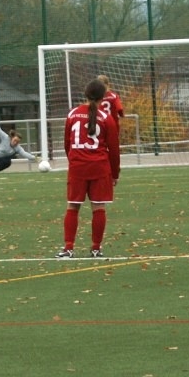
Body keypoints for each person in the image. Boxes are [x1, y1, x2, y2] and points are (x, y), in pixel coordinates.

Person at [56, 79, 121, 258]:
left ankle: (68, 248)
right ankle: (96, 248)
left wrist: (74, 161)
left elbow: (67, 143)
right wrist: (115, 173)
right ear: (103, 97)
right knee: (98, 207)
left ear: (85, 94)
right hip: (100, 168)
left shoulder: (72, 114)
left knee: (73, 206)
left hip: (77, 167)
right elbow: (114, 149)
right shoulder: (106, 118)